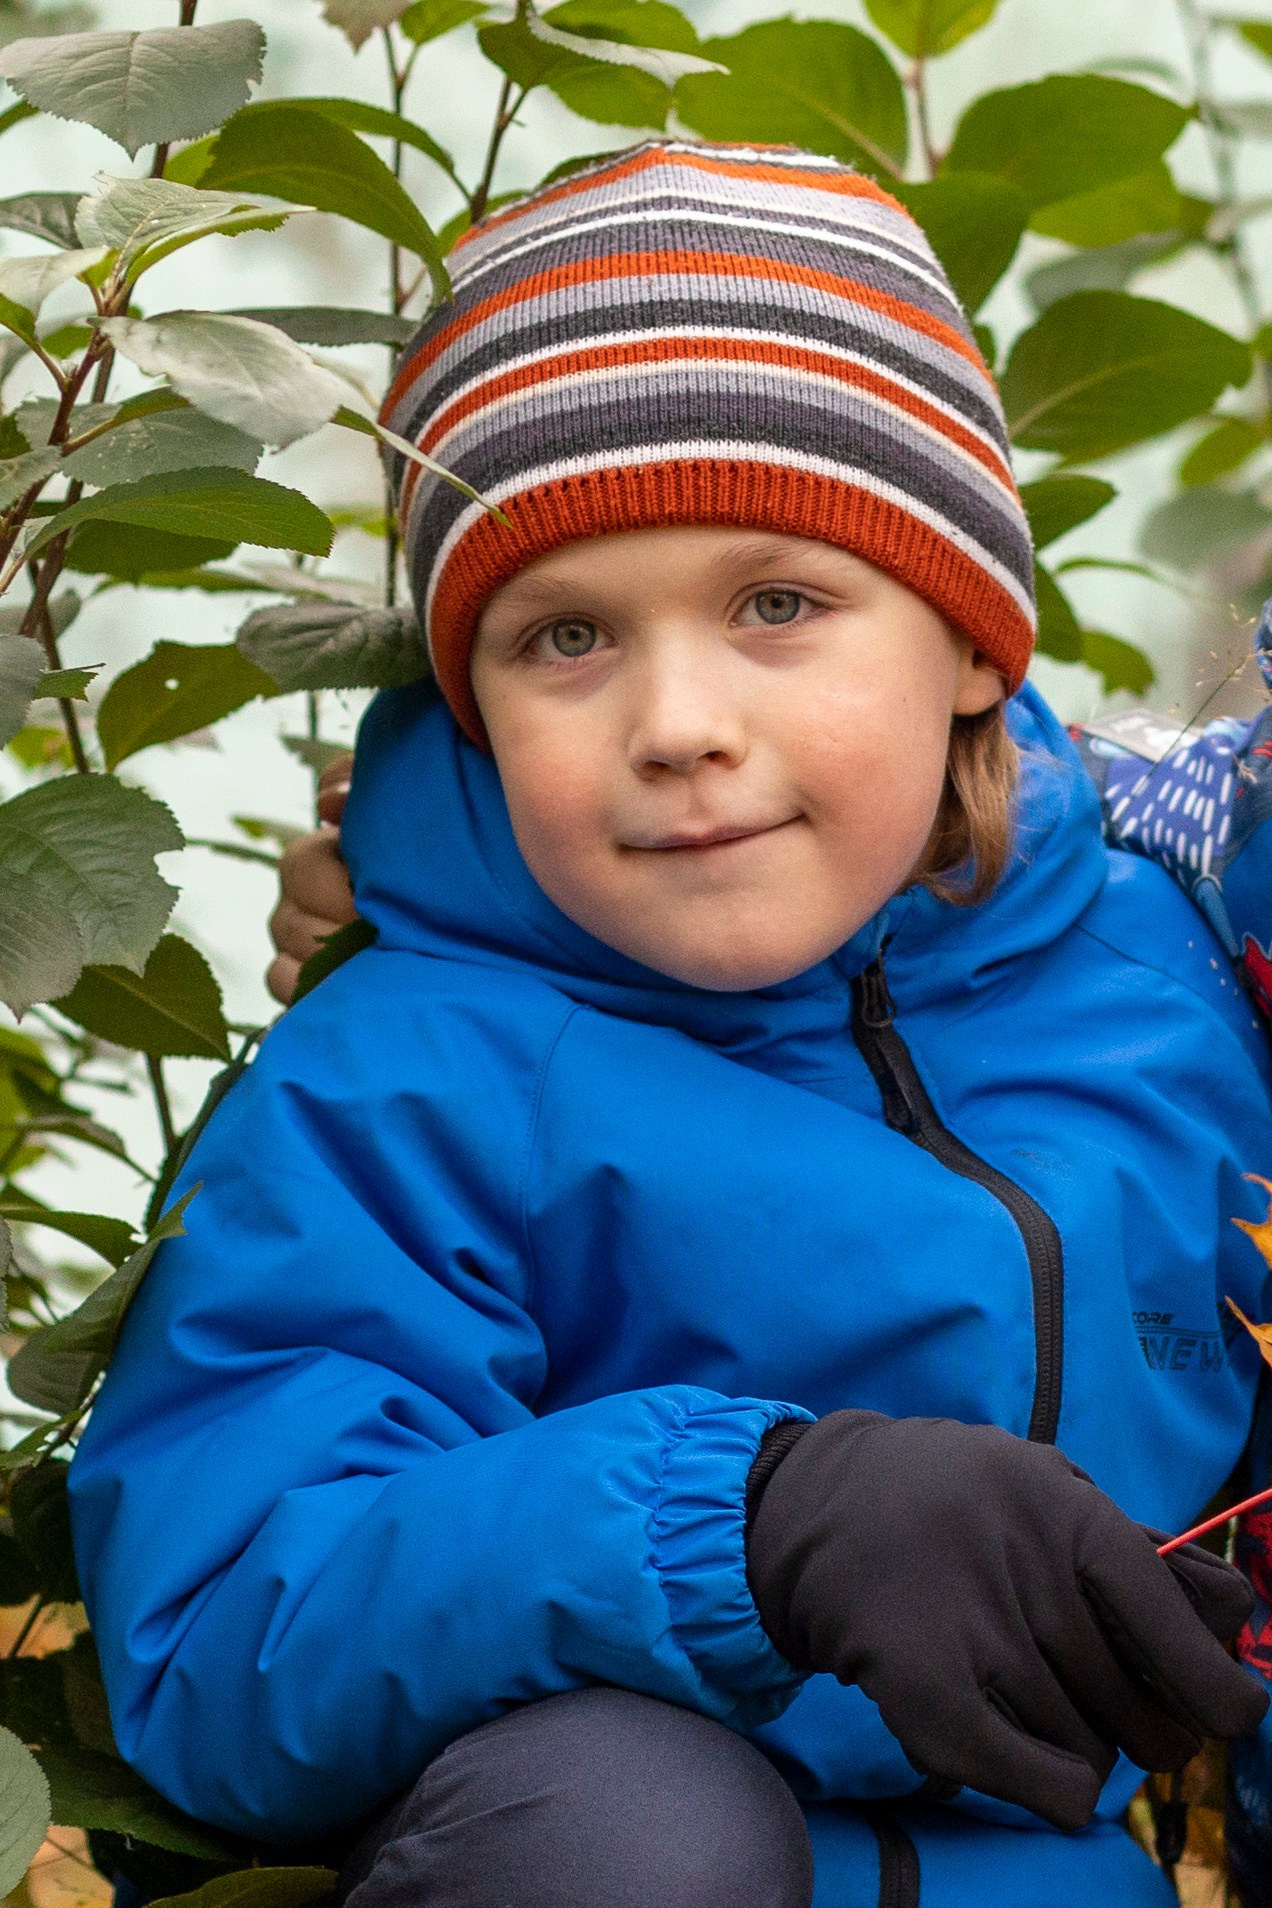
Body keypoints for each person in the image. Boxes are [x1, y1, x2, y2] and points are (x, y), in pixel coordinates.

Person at [66, 140, 1272, 1908]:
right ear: (467, 710)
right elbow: (226, 1626)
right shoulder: (409, 1074)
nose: (676, 721)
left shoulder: (1165, 982)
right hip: (643, 1859)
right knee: (627, 1823)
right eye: (564, 638)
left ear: (974, 646)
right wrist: (748, 1522)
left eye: (778, 602)